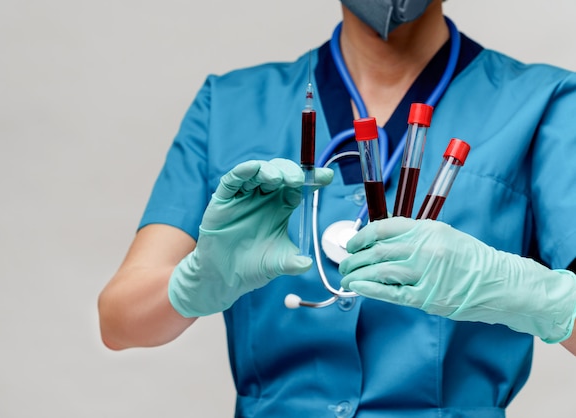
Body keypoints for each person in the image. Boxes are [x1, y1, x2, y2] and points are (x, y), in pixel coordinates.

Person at [98, 0, 576, 416]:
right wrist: (198, 281)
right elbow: (118, 321)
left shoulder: (546, 104)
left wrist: (531, 296)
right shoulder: (228, 106)